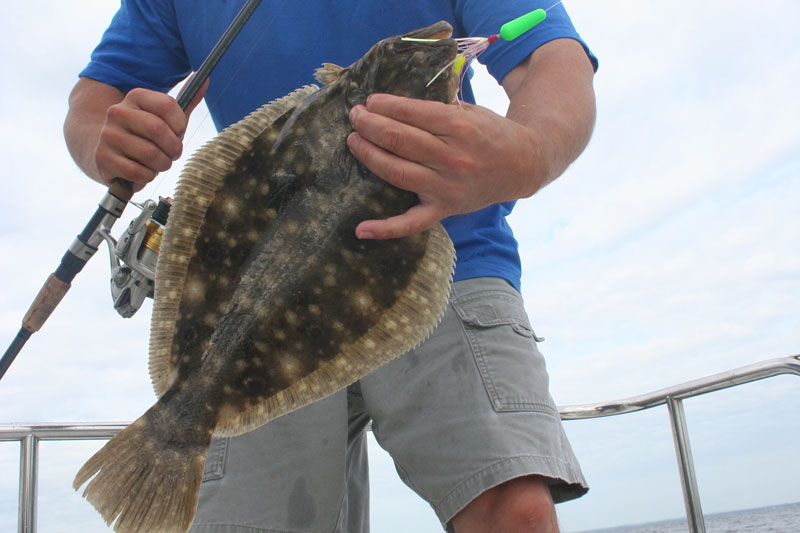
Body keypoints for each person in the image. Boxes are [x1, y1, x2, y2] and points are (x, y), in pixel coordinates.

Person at [64, 1, 597, 531]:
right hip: (250, 298)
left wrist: (527, 152)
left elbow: (549, 56)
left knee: (514, 511)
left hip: (450, 256)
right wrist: (105, 143)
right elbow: (96, 98)